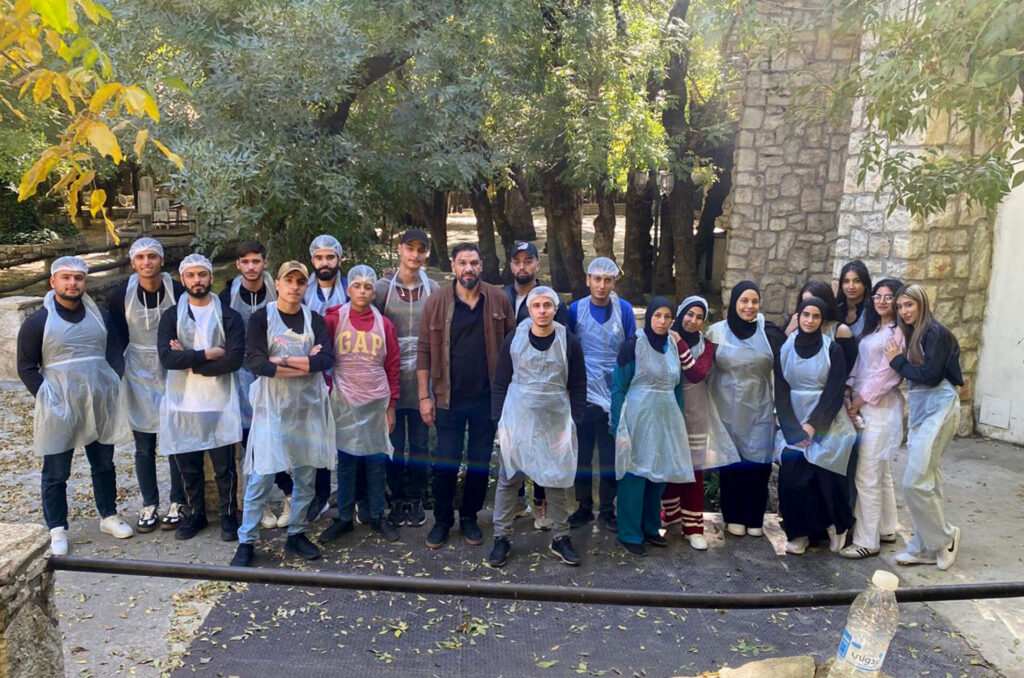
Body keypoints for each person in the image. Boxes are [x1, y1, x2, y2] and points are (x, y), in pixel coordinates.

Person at [17, 256, 134, 555]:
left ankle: (108, 515)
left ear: (85, 282)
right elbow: (27, 366)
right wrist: (48, 398)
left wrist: (112, 381)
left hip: (98, 401)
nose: (72, 283)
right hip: (59, 405)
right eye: (66, 277)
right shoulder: (38, 322)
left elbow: (115, 351)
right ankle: (57, 527)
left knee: (104, 463)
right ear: (53, 281)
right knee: (56, 471)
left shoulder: (101, 317)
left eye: (78, 278)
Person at [231, 261, 336, 567]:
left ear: (306, 287)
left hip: (307, 410)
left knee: (305, 475)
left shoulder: (314, 319)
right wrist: (303, 362)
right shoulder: (261, 318)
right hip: (272, 410)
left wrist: (283, 361)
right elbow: (256, 363)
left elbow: (325, 360)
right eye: (288, 280)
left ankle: (297, 533)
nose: (294, 286)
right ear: (277, 283)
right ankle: (246, 540)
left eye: (300, 282)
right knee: (262, 475)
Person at [418, 243, 516, 549]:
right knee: (446, 461)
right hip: (448, 398)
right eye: (462, 263)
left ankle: (470, 517)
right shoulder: (436, 301)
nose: (468, 268)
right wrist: (424, 396)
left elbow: (514, 347)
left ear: (481, 264)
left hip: (487, 399)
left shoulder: (498, 298)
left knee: (479, 462)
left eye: (473, 262)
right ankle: (443, 521)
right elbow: (422, 352)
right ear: (453, 265)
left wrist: (511, 399)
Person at [489, 287, 587, 567]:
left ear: (555, 309)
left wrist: (572, 425)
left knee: (555, 479)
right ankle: (502, 538)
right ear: (529, 310)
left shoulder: (569, 342)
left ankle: (560, 538)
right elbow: (501, 383)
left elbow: (579, 385)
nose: (542, 310)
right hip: (518, 419)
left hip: (555, 421)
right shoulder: (514, 340)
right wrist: (499, 422)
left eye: (547, 305)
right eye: (537, 305)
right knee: (509, 479)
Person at [158, 253, 245, 541]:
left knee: (224, 467)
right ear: (183, 280)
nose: (197, 280)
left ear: (211, 277)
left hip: (219, 402)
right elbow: (167, 357)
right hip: (183, 403)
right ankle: (196, 515)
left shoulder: (228, 315)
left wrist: (190, 359)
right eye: (191, 275)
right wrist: (208, 354)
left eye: (202, 274)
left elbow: (233, 360)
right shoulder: (171, 316)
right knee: (190, 468)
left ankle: (229, 516)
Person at [107, 237, 187, 532]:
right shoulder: (118, 296)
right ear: (133, 263)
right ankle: (149, 503)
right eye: (140, 257)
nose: (146, 262)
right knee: (144, 444)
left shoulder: (178, 291)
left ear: (162, 261)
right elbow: (114, 337)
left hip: (172, 368)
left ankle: (178, 502)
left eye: (152, 256)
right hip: (138, 370)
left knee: (176, 440)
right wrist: (117, 371)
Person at [319, 265, 402, 543]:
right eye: (357, 286)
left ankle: (378, 515)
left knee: (376, 460)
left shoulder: (384, 325)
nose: (363, 291)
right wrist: (328, 390)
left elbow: (392, 365)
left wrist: (391, 406)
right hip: (344, 401)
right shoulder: (333, 320)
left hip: (376, 401)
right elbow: (322, 359)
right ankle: (344, 517)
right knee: (346, 461)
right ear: (349, 288)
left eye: (368, 286)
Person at [884, 284, 963, 571]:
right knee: (928, 479)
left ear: (922, 305)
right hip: (921, 407)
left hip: (940, 405)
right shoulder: (912, 331)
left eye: (909, 305)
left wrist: (898, 363)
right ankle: (922, 547)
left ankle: (945, 538)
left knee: (915, 481)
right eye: (901, 306)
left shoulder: (935, 332)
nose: (904, 311)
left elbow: (930, 376)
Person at [611, 298, 695, 557]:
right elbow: (618, 389)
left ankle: (650, 528)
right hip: (637, 419)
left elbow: (678, 387)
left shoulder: (673, 346)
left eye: (667, 316)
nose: (662, 321)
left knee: (657, 476)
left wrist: (678, 424)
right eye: (657, 315)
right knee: (634, 476)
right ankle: (629, 533)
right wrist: (618, 428)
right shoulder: (632, 346)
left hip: (665, 420)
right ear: (648, 317)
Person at [774, 296, 856, 555]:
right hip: (793, 419)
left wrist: (813, 426)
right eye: (805, 315)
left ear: (822, 320)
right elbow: (781, 389)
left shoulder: (833, 349)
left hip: (826, 420)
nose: (809, 320)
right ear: (798, 316)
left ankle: (836, 527)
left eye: (816, 316)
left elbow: (834, 391)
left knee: (824, 476)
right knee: (792, 479)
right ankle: (799, 533)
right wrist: (792, 428)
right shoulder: (785, 348)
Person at [219, 241, 292, 532]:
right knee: (250, 441)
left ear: (265, 263)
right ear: (238, 264)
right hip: (241, 376)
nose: (251, 266)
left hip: (277, 372)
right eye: (245, 262)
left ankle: (290, 495)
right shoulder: (226, 297)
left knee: (281, 437)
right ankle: (258, 502)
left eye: (256, 261)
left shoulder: (278, 292)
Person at [705, 281, 784, 538]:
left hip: (759, 407)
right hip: (725, 409)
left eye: (754, 301)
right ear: (734, 302)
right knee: (731, 465)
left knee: (758, 466)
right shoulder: (716, 332)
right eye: (744, 301)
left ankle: (754, 517)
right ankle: (733, 517)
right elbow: (701, 368)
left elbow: (785, 369)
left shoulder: (769, 333)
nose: (749, 306)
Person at [662, 297, 740, 551]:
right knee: (669, 463)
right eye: (689, 314)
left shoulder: (708, 347)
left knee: (694, 470)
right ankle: (670, 515)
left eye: (699, 317)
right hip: (667, 408)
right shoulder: (663, 340)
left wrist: (679, 341)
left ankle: (693, 527)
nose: (692, 320)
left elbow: (696, 374)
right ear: (680, 314)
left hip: (695, 412)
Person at [374, 229, 440, 529]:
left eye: (421, 250)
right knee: (393, 442)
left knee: (421, 444)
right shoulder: (382, 289)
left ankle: (416, 499)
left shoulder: (434, 289)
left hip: (423, 381)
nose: (415, 255)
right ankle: (396, 499)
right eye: (409, 249)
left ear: (426, 253)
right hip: (390, 380)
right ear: (400, 249)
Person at [502, 240, 569, 529]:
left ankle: (543, 507)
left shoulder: (555, 303)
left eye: (527, 261)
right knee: (513, 453)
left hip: (548, 392)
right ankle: (516, 503)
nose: (522, 267)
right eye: (517, 262)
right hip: (513, 389)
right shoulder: (500, 297)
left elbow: (564, 348)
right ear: (510, 266)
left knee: (545, 447)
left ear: (536, 265)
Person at [566, 257, 636, 532]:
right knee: (581, 456)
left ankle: (607, 509)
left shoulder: (625, 310)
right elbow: (568, 351)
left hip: (615, 393)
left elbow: (632, 348)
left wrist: (625, 392)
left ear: (614, 282)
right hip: (584, 395)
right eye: (597, 279)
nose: (602, 285)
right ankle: (583, 507)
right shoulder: (575, 310)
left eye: (608, 280)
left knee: (610, 457)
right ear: (588, 280)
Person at [840, 279, 905, 559]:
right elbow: (861, 364)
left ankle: (867, 539)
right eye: (878, 296)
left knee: (867, 475)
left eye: (888, 297)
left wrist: (857, 400)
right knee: (882, 471)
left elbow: (887, 376)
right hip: (864, 403)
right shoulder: (873, 328)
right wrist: (848, 386)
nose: (881, 301)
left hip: (879, 408)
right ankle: (887, 527)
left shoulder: (899, 332)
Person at [303, 234, 348, 520]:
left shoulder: (350, 287)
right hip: (310, 377)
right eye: (319, 258)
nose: (324, 263)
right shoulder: (301, 289)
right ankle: (318, 496)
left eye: (330, 257)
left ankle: (347, 496)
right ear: (312, 260)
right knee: (316, 438)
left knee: (346, 437)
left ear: (339, 260)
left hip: (346, 375)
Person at [784, 280, 858, 374]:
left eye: (815, 302)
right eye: (805, 302)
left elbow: (849, 367)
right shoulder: (794, 325)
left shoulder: (840, 330)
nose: (810, 307)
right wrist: (789, 331)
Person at [836, 260, 873, 338]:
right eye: (846, 281)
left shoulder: (873, 312)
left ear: (865, 284)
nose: (851, 286)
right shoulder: (836, 311)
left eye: (857, 281)